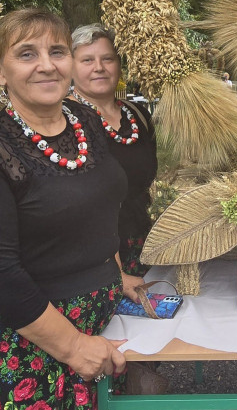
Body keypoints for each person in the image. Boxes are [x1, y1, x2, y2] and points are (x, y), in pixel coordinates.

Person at [0, 9, 131, 409]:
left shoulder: (84, 120)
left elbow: (99, 206)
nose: (47, 65)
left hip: (103, 324)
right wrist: (74, 346)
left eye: (57, 52)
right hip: (30, 341)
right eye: (27, 54)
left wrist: (115, 270)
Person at [69, 24, 157, 292]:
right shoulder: (62, 120)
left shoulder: (138, 114)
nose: (99, 67)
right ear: (70, 67)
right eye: (87, 60)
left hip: (142, 242)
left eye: (107, 58)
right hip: (91, 256)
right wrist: (113, 271)